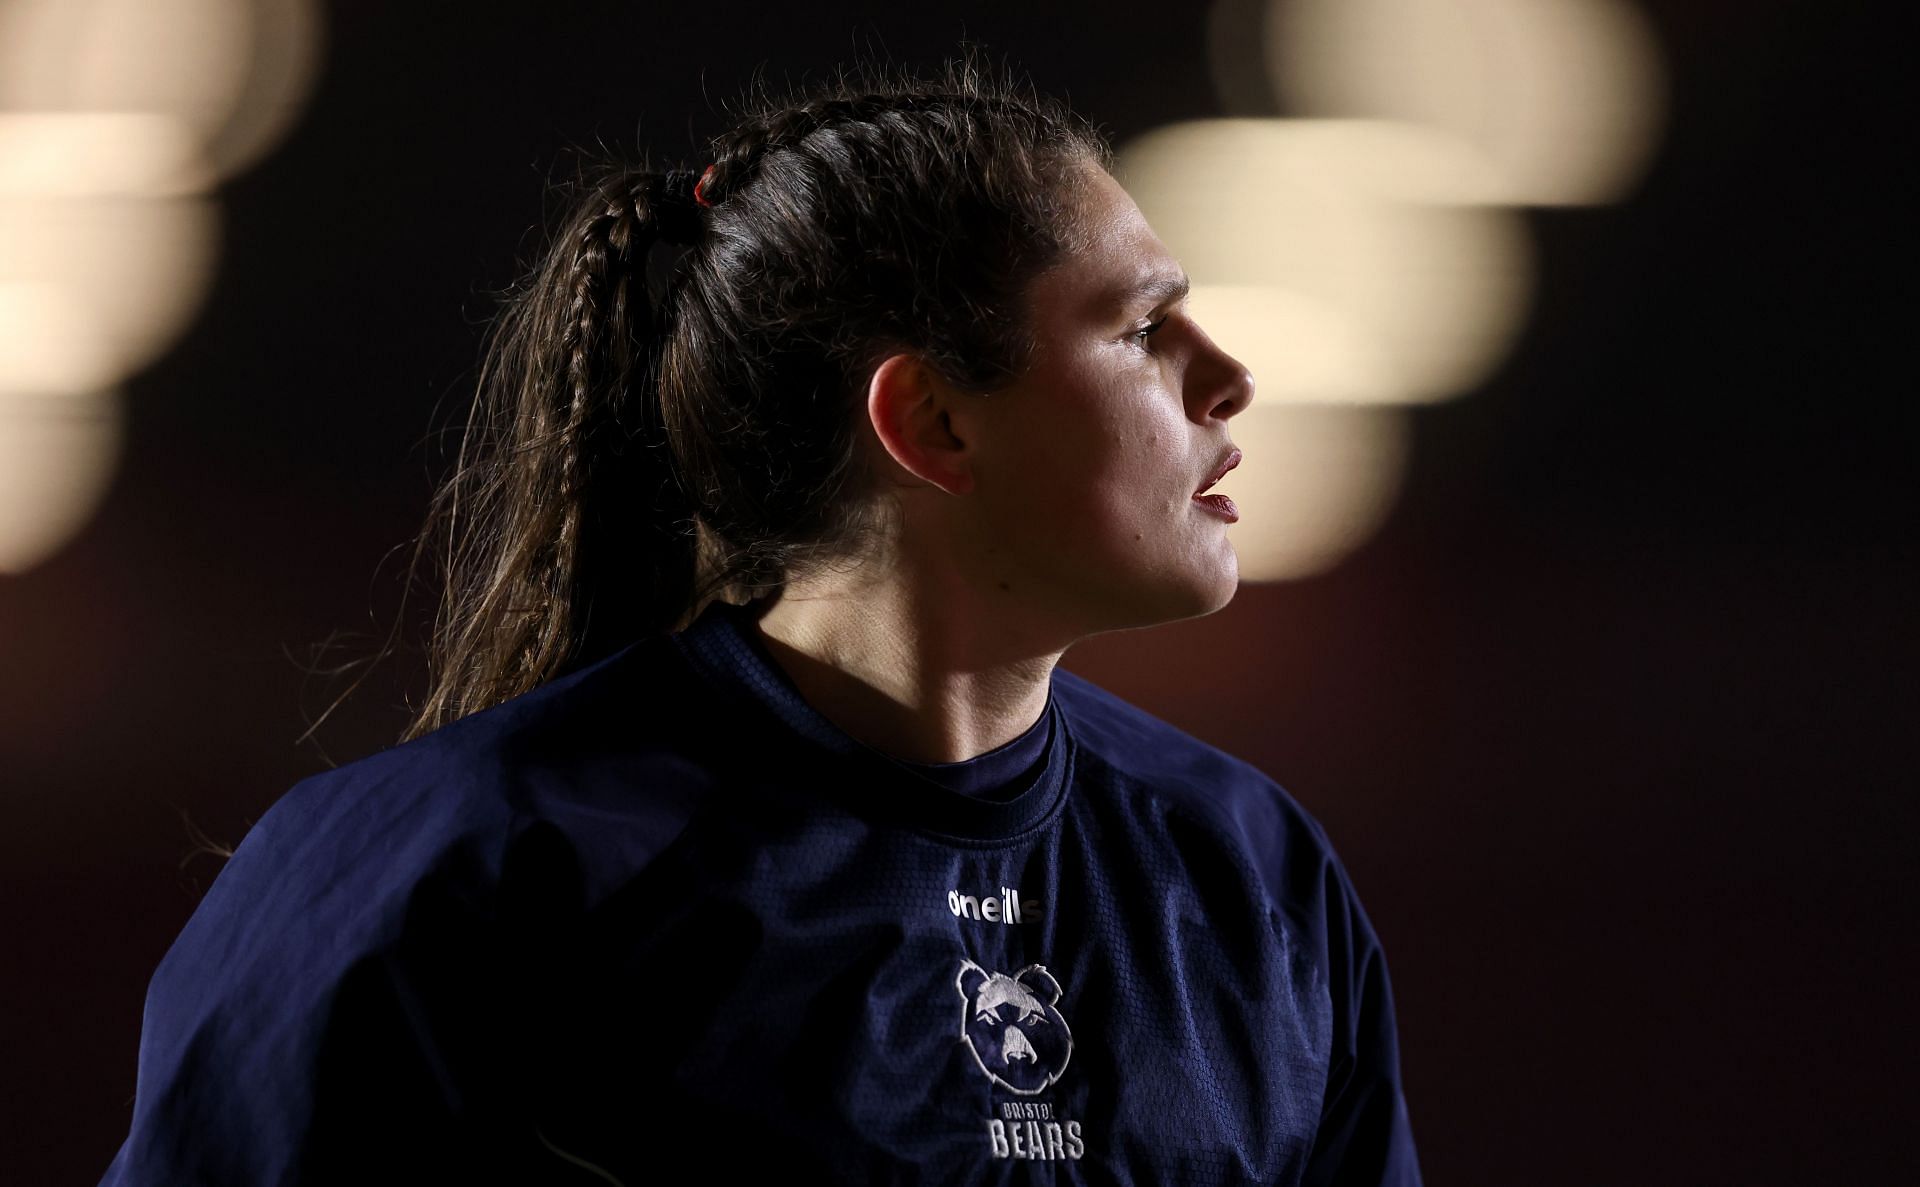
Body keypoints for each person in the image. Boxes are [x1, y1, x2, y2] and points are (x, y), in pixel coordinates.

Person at [101, 56, 1423, 1186]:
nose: (1233, 378)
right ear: (932, 422)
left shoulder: (1254, 880)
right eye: (1143, 327)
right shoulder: (462, 876)